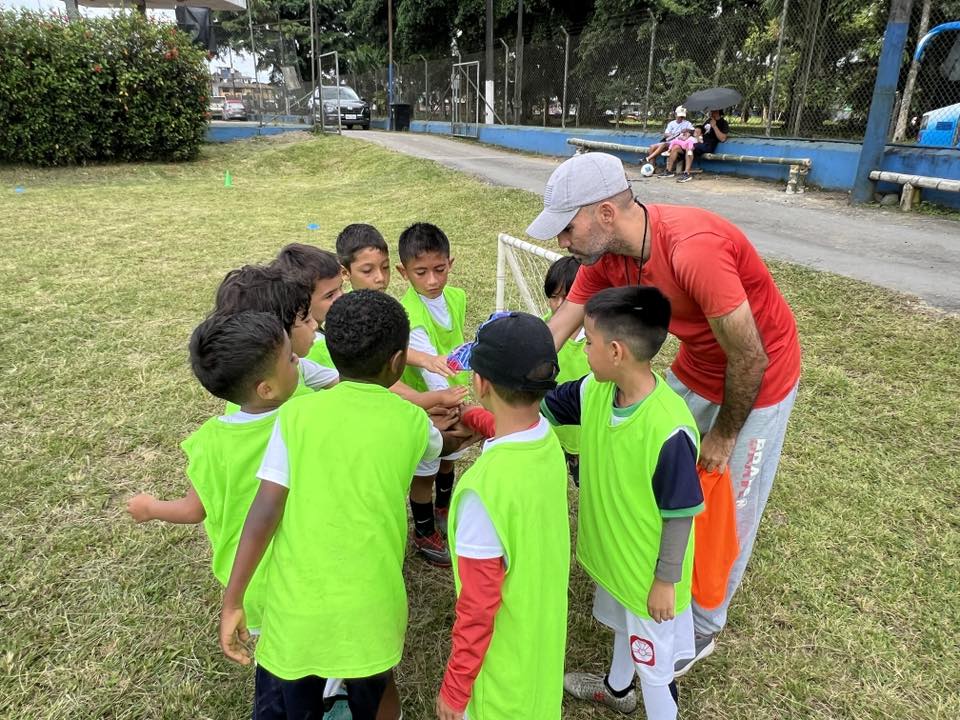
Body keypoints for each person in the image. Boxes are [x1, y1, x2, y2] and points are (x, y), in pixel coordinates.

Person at [527, 151, 801, 676]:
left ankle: (701, 629)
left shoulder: (694, 249)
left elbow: (750, 356)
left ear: (606, 213)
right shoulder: (604, 259)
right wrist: (515, 377)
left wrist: (724, 434)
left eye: (567, 227)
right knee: (658, 466)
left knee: (727, 501)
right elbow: (559, 327)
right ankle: (653, 577)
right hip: (698, 366)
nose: (562, 242)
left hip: (760, 378)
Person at [218, 290, 475, 720]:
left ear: (331, 350)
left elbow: (264, 512)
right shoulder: (411, 421)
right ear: (398, 362)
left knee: (295, 706)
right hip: (372, 608)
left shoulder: (296, 417)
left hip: (296, 609)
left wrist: (233, 601)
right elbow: (441, 445)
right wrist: (468, 431)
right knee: (373, 696)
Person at [539, 286, 703, 719]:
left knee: (655, 668)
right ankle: (616, 689)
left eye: (588, 342)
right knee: (623, 626)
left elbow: (680, 515)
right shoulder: (595, 391)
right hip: (617, 560)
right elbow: (546, 406)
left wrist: (665, 581)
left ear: (615, 351)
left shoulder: (668, 429)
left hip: (649, 577)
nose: (583, 349)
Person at [127, 311, 300, 633]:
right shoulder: (303, 420)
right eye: (291, 359)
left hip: (250, 582)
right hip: (305, 569)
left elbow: (193, 510)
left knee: (273, 650)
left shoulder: (211, 442)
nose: (298, 361)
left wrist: (150, 508)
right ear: (266, 389)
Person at [435, 312, 570, 720]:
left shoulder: (483, 492)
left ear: (480, 384)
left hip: (499, 687)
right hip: (539, 661)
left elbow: (478, 609)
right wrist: (472, 416)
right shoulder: (546, 442)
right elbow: (507, 425)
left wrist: (455, 690)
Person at [397, 222, 472, 566]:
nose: (432, 280)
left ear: (450, 264)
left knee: (449, 457)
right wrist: (446, 403)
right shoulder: (408, 314)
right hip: (426, 406)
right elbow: (429, 367)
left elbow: (455, 346)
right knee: (425, 469)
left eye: (439, 269)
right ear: (404, 272)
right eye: (421, 272)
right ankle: (424, 529)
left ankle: (444, 508)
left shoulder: (457, 298)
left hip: (451, 396)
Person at [214, 264, 338, 414]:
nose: (314, 325)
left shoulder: (297, 365)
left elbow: (339, 382)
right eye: (306, 320)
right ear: (273, 333)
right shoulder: (290, 406)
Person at [543, 256, 590, 485]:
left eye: (568, 297)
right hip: (550, 427)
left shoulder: (595, 340)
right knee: (551, 480)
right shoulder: (543, 328)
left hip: (583, 432)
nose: (559, 304)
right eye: (554, 297)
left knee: (585, 483)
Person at [272, 243, 344, 371]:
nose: (341, 296)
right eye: (329, 295)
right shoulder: (316, 347)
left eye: (341, 287)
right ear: (302, 301)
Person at [664, 108, 730, 183]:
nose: (710, 112)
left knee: (690, 147)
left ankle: (686, 173)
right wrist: (691, 133)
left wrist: (714, 126)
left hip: (708, 145)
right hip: (699, 142)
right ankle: (668, 171)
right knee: (676, 147)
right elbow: (700, 131)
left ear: (718, 111)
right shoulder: (708, 121)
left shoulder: (723, 123)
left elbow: (722, 138)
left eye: (712, 111)